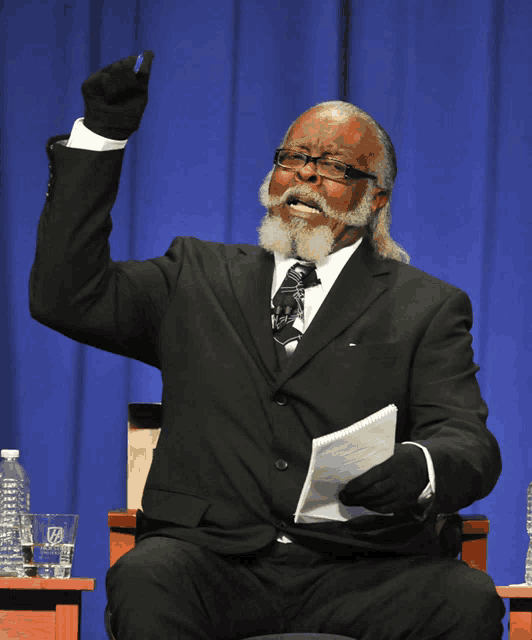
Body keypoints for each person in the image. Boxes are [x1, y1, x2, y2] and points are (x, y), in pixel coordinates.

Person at [30, 51, 506, 640]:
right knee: (145, 577)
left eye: (332, 166)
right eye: (293, 159)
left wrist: (422, 465)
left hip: (361, 570)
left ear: (375, 198)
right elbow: (64, 296)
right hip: (213, 565)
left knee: (465, 599)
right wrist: (101, 137)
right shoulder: (194, 276)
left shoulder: (425, 306)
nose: (305, 176)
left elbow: (467, 439)